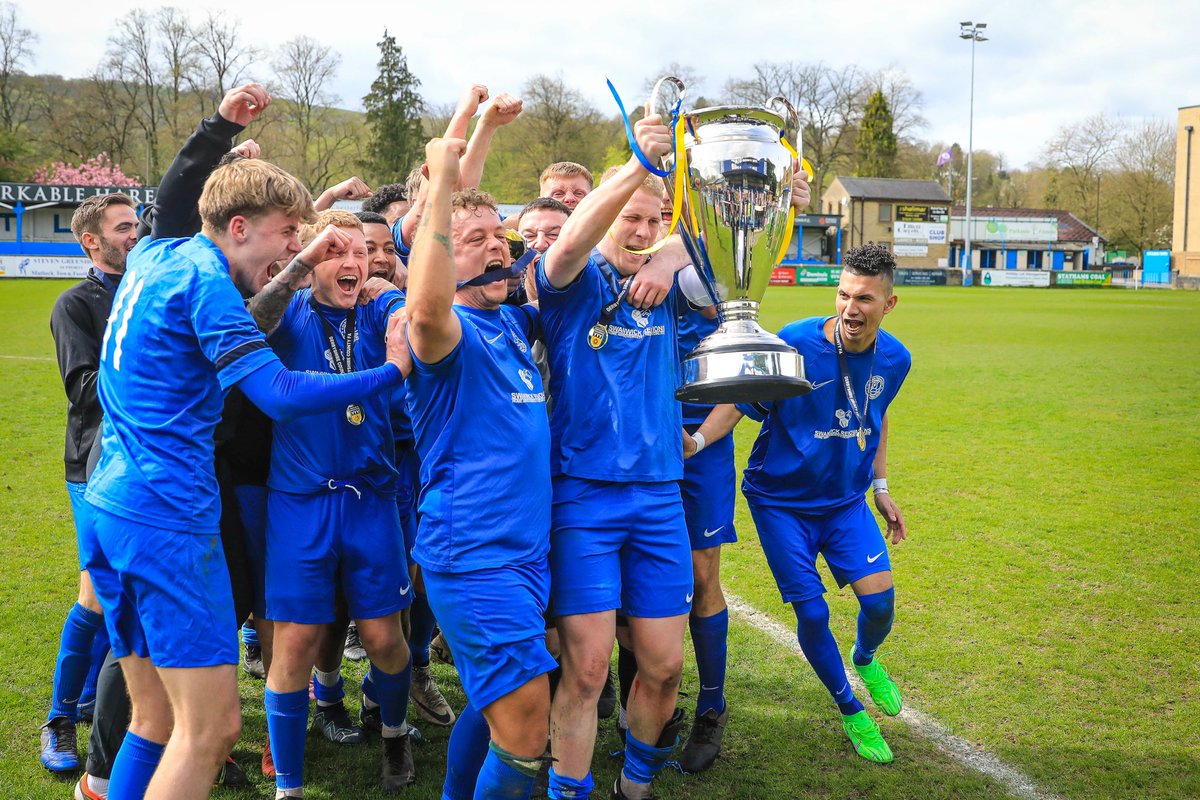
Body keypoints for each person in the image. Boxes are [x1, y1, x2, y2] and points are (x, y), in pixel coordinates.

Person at [81, 157, 409, 800]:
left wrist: (223, 130)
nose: (297, 246)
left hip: (109, 504)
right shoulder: (208, 285)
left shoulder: (156, 255)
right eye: (290, 231)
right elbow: (281, 393)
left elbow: (181, 197)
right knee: (211, 731)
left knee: (153, 721)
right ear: (238, 226)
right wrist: (392, 370)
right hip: (166, 517)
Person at [686, 242, 911, 765]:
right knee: (811, 612)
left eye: (865, 299)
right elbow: (742, 403)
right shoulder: (794, 344)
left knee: (879, 605)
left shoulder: (897, 358)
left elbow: (876, 417)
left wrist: (880, 488)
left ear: (889, 303)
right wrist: (696, 442)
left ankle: (866, 657)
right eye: (844, 295)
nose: (851, 309)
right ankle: (850, 707)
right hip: (780, 501)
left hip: (846, 503)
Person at [535, 112, 695, 800]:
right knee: (588, 667)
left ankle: (634, 786)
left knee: (661, 666)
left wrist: (669, 254)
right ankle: (568, 791)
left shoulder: (673, 290)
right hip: (584, 497)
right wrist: (636, 165)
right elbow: (566, 245)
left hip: (661, 497)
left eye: (651, 221)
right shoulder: (574, 287)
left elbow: (720, 252)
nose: (638, 231)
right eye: (626, 217)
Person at [404, 137, 558, 800]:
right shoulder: (446, 333)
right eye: (475, 240)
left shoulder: (510, 325)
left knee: (498, 705)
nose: (498, 247)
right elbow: (427, 306)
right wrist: (441, 191)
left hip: (525, 555)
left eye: (501, 235)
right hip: (473, 556)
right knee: (526, 728)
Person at [260, 209, 418, 795]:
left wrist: (396, 304)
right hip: (301, 503)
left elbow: (410, 316)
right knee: (295, 642)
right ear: (311, 261)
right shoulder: (288, 314)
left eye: (359, 253)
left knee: (383, 638)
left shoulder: (377, 306)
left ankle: (395, 736)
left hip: (372, 498)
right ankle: (290, 784)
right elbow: (253, 320)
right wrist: (296, 269)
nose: (352, 263)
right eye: (336, 252)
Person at [41, 192, 139, 774]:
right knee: (97, 595)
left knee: (128, 592)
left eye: (136, 224)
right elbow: (82, 391)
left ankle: (97, 704)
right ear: (91, 241)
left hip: (148, 466)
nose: (134, 233)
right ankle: (58, 717)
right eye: (122, 227)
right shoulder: (74, 303)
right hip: (95, 466)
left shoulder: (149, 290)